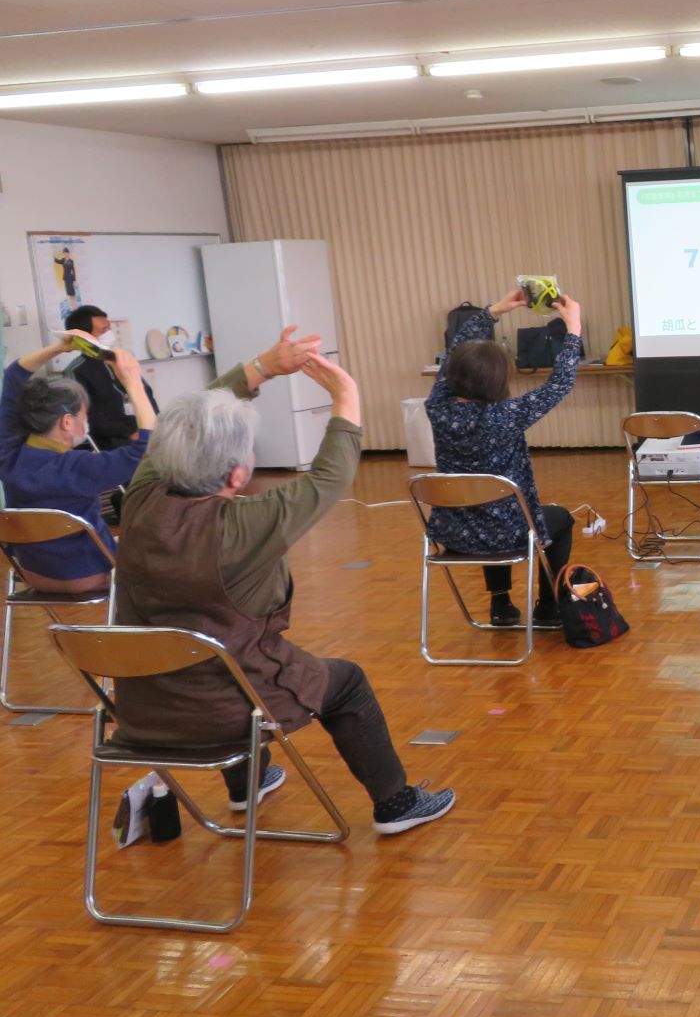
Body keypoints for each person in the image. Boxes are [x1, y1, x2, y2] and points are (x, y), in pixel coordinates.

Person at [112, 327, 454, 835]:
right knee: (344, 682)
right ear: (236, 476)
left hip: (144, 711)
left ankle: (245, 783)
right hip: (228, 712)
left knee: (211, 653)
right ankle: (396, 803)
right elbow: (329, 477)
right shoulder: (245, 524)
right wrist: (346, 396)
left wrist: (263, 367)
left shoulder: (140, 499)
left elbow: (184, 425)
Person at [427, 285, 582, 628]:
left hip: (453, 533)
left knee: (482, 502)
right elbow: (559, 384)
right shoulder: (506, 415)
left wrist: (493, 312)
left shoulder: (436, 407)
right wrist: (573, 328)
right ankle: (548, 608)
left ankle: (501, 605)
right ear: (499, 380)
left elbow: (454, 352)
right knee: (560, 519)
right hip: (508, 533)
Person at [0, 331, 154, 592]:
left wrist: (58, 347)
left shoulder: (8, 455)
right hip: (88, 575)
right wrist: (133, 382)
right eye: (85, 415)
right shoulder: (79, 467)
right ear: (67, 422)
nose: (87, 421)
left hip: (33, 574)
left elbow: (14, 376)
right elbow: (147, 447)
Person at [63, 305, 159, 451]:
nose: (109, 333)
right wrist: (128, 433)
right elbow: (84, 418)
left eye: (109, 328)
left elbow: (146, 394)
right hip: (110, 444)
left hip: (144, 433)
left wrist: (154, 425)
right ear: (84, 337)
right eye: (103, 330)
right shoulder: (76, 371)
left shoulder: (121, 360)